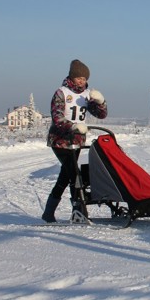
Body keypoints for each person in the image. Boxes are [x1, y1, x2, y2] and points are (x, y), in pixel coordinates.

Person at [41, 59, 108, 223]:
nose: (82, 81)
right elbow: (57, 117)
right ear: (72, 77)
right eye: (79, 78)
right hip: (60, 140)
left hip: (77, 140)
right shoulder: (61, 92)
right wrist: (72, 127)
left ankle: (49, 213)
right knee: (74, 174)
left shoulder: (87, 94)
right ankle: (79, 211)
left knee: (66, 176)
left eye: (85, 78)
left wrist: (101, 102)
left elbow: (101, 115)